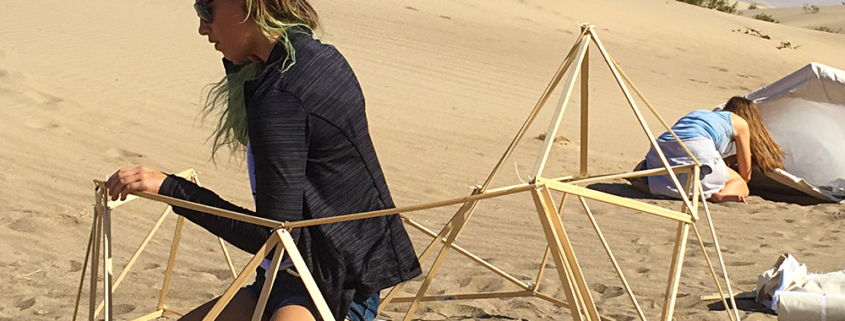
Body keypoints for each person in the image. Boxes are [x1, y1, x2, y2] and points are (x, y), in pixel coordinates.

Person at [104, 0, 421, 320]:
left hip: (330, 286)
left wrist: (171, 189)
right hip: (287, 276)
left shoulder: (281, 93)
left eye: (206, 9)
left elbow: (275, 235)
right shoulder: (319, 57)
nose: (202, 27)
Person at [633, 96, 784, 203]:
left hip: (661, 148)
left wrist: (728, 161)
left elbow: (684, 141)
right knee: (740, 183)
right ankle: (720, 195)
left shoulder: (700, 113)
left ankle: (658, 187)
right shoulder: (741, 123)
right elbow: (745, 175)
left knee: (640, 170)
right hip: (697, 147)